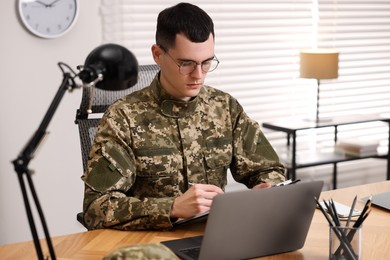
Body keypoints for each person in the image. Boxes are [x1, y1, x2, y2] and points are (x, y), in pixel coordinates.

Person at [81, 2, 286, 231]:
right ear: (157, 55)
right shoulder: (123, 117)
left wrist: (266, 189)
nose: (198, 75)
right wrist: (172, 207)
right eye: (186, 63)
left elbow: (268, 170)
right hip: (150, 245)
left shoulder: (225, 108)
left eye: (206, 62)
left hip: (215, 237)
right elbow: (96, 208)